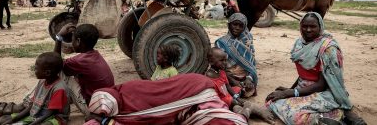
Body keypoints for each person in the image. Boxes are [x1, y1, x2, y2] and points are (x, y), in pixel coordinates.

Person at [266, 12, 366, 125]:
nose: (308, 30)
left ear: (320, 27)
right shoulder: (299, 43)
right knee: (272, 102)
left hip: (325, 92)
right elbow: (304, 73)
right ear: (300, 26)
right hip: (303, 89)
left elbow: (321, 85)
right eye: (305, 26)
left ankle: (331, 118)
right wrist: (289, 90)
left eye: (313, 26)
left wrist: (290, 93)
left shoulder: (328, 48)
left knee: (293, 113)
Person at [84, 73, 248, 124]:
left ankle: (244, 113)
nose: (96, 116)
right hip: (193, 88)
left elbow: (155, 110)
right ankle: (239, 109)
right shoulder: (120, 106)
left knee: (218, 119)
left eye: (99, 114)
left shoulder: (128, 95)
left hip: (194, 91)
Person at [0, 52, 70, 125]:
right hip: (36, 113)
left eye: (36, 68)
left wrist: (32, 123)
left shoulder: (59, 89)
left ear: (47, 73)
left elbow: (50, 113)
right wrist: (14, 119)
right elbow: (31, 106)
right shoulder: (41, 82)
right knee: (5, 118)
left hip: (54, 118)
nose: (34, 70)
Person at [54, 23, 115, 116]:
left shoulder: (79, 61)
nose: (71, 43)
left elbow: (55, 63)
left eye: (72, 40)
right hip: (108, 103)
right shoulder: (95, 55)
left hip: (94, 110)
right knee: (72, 76)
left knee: (58, 71)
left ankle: (34, 101)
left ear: (78, 41)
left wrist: (59, 37)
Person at [205, 47, 274, 124]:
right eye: (221, 61)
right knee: (240, 103)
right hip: (220, 101)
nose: (225, 63)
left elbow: (228, 86)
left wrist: (236, 97)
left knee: (237, 91)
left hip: (227, 96)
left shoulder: (221, 72)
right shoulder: (209, 77)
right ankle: (251, 109)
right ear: (211, 62)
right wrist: (235, 100)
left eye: (225, 60)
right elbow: (213, 97)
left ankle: (241, 112)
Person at [215, 13, 257, 98]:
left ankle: (239, 89)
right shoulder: (221, 42)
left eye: (241, 26)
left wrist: (249, 78)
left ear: (244, 27)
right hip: (227, 75)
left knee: (247, 88)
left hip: (244, 76)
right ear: (229, 25)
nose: (237, 28)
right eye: (235, 24)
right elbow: (218, 66)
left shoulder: (247, 41)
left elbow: (251, 65)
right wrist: (232, 80)